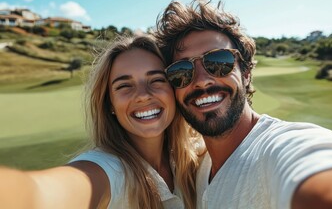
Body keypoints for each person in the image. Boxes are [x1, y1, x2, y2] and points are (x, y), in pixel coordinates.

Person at [155, 0, 332, 209]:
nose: (201, 80)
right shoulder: (199, 167)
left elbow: (318, 169)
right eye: (181, 71)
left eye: (219, 62)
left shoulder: (279, 148)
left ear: (246, 73)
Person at [0, 35, 201, 209]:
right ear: (109, 103)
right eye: (124, 85)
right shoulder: (106, 170)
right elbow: (40, 194)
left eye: (157, 80)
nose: (142, 96)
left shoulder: (195, 157)